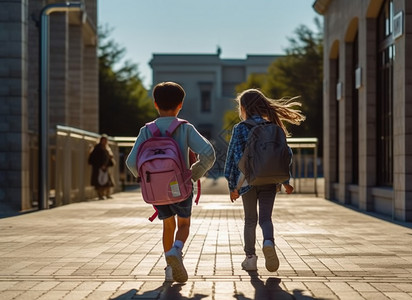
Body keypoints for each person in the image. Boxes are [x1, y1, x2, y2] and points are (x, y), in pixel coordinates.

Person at [126, 82, 216, 283]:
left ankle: (169, 269)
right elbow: (208, 153)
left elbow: (131, 162)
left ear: (155, 104)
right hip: (180, 186)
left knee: (168, 225)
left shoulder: (146, 130)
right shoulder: (184, 128)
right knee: (183, 224)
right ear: (180, 105)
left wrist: (147, 179)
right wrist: (194, 173)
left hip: (156, 190)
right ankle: (177, 250)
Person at [224, 88, 305, 272]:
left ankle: (250, 258)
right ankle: (269, 242)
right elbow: (286, 155)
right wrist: (285, 181)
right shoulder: (274, 127)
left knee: (250, 220)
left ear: (243, 107)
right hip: (270, 180)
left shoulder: (240, 128)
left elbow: (233, 157)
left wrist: (232, 186)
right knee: (266, 219)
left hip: (247, 182)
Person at [88, 134, 115, 200]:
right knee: (99, 182)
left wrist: (106, 165)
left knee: (107, 181)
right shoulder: (97, 148)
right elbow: (94, 159)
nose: (105, 142)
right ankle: (100, 195)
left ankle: (106, 194)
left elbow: (109, 158)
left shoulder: (107, 148)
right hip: (98, 167)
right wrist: (101, 165)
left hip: (105, 167)